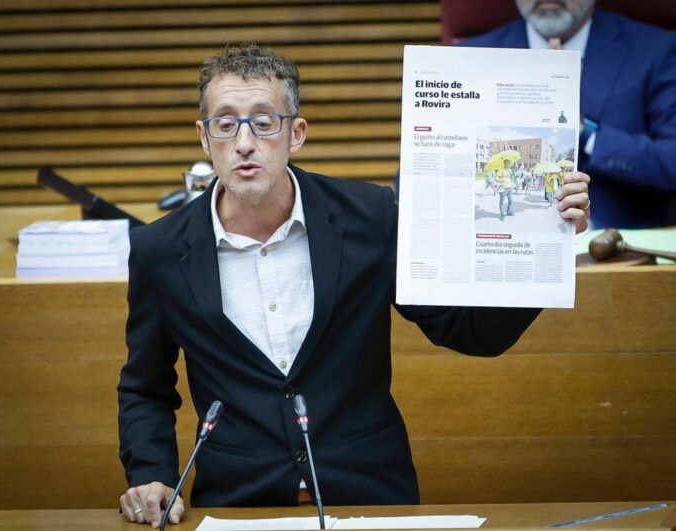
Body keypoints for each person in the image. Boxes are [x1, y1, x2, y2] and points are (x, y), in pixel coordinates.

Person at [117, 44, 591, 527]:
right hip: (238, 504)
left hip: (370, 495)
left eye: (263, 122)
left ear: (296, 133)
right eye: (225, 124)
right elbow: (145, 387)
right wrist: (152, 473)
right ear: (204, 137)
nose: (243, 143)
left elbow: (470, 331)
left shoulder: (369, 217)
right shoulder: (160, 250)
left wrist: (545, 242)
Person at [461, 0, 676, 229]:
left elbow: (671, 161)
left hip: (620, 243)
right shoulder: (468, 57)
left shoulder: (656, 50)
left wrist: (585, 132)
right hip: (504, 240)